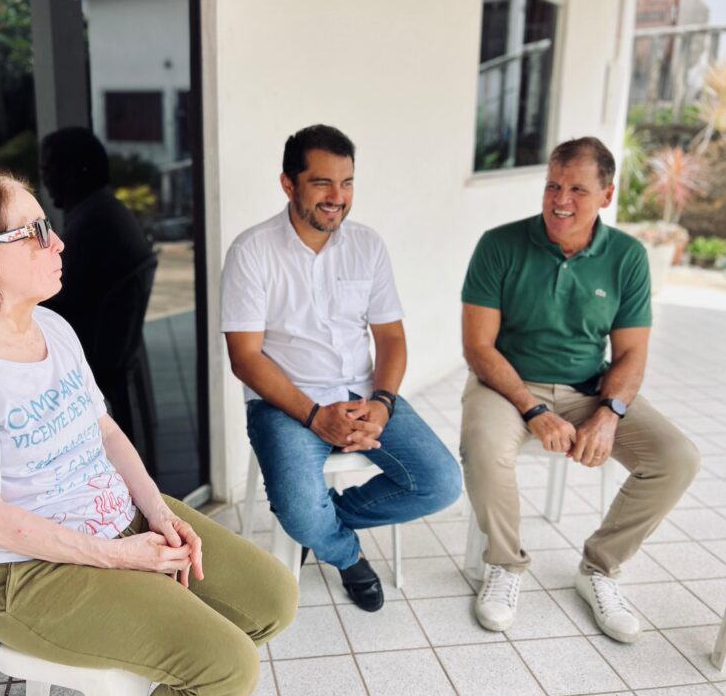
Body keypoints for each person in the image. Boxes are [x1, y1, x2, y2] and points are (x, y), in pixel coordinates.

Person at [0, 171, 297, 696]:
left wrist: (158, 512)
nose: (58, 243)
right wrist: (119, 557)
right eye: (35, 232)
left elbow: (105, 430)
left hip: (116, 518)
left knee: (272, 600)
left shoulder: (54, 328)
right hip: (28, 575)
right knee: (227, 668)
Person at [460, 136, 700, 643]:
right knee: (483, 446)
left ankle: (599, 569)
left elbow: (631, 354)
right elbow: (478, 347)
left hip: (590, 387)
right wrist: (532, 410)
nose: (560, 200)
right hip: (506, 386)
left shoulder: (627, 256)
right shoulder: (498, 244)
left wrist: (608, 414)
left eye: (577, 190)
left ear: (607, 195)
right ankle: (504, 563)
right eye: (553, 186)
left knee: (677, 458)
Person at [221, 124, 462, 612]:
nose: (338, 196)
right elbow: (244, 358)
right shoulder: (251, 251)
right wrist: (315, 416)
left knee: (442, 483)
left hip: (363, 394)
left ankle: (319, 524)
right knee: (300, 508)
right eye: (322, 183)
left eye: (347, 182)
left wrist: (383, 403)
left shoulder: (367, 245)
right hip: (285, 403)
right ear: (288, 184)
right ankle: (347, 556)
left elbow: (390, 338)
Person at [39, 126, 155, 353]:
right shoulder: (104, 210)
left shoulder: (91, 225)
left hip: (90, 351)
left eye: (48, 170)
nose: (45, 181)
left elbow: (58, 297)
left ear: (73, 173)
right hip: (105, 347)